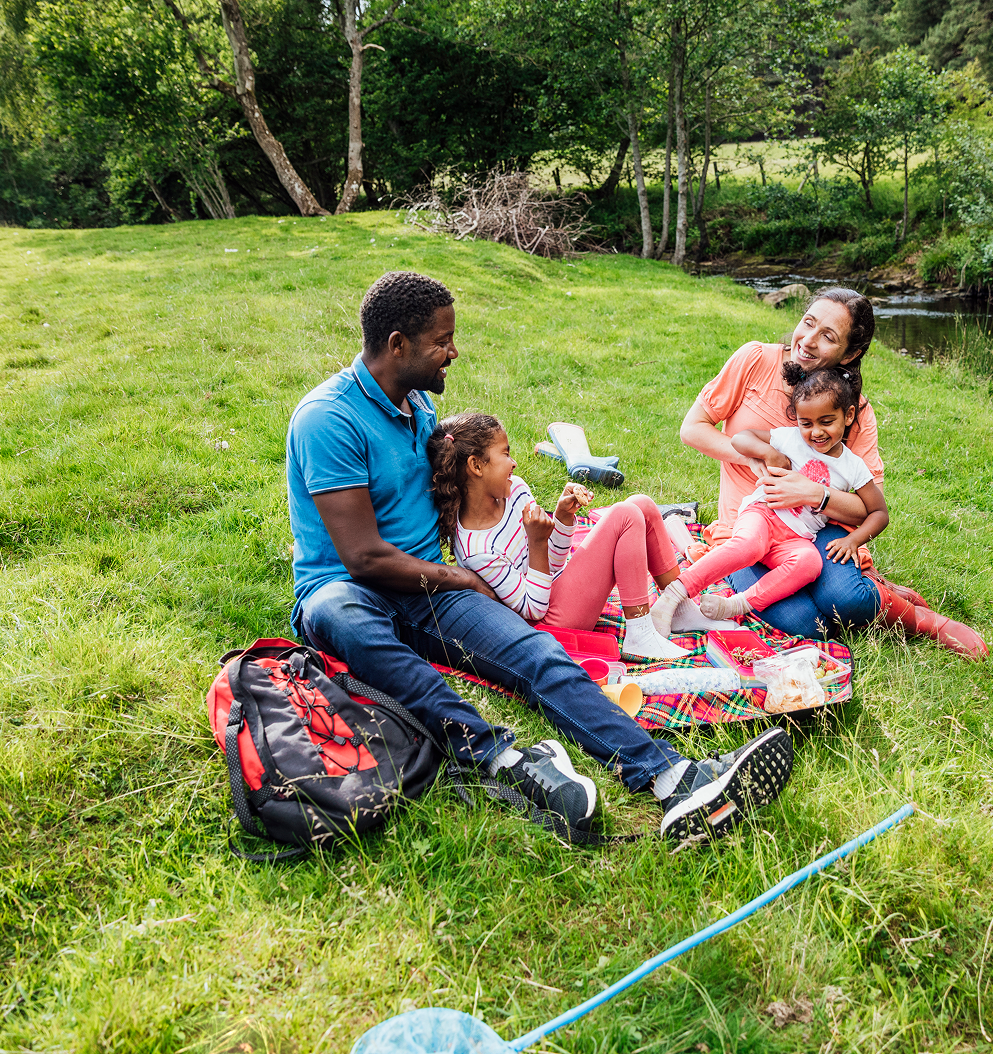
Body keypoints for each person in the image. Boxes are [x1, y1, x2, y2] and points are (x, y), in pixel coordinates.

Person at [285, 270, 795, 842]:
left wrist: (522, 534)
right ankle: (506, 759)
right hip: (351, 585)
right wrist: (462, 577)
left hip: (430, 586)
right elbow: (362, 557)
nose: (453, 352)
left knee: (539, 655)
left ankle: (675, 778)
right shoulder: (327, 418)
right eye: (441, 341)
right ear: (397, 344)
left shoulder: (419, 411)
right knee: (340, 615)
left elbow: (456, 499)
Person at [679, 287, 987, 659]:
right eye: (807, 324)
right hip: (750, 524)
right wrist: (758, 458)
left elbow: (867, 507)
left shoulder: (853, 411)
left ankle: (921, 620)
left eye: (828, 336)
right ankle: (870, 593)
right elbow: (693, 427)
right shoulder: (754, 359)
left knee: (846, 600)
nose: (807, 342)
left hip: (817, 528)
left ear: (850, 353)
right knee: (804, 621)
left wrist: (813, 493)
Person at [427, 412, 737, 662]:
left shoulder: (516, 489)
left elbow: (556, 562)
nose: (514, 462)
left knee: (641, 504)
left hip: (560, 589)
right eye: (505, 454)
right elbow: (534, 608)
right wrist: (536, 541)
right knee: (625, 516)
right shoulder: (476, 548)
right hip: (550, 624)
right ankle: (640, 634)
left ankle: (679, 608)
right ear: (476, 466)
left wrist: (561, 519)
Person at [654, 367, 888, 625]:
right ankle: (675, 593)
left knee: (810, 562)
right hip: (764, 515)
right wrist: (768, 453)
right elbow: (741, 438)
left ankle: (737, 604)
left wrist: (854, 540)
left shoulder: (853, 466)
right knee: (748, 545)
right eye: (806, 423)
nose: (816, 432)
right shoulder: (790, 439)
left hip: (797, 538)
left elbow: (879, 513)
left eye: (827, 421)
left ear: (848, 415)